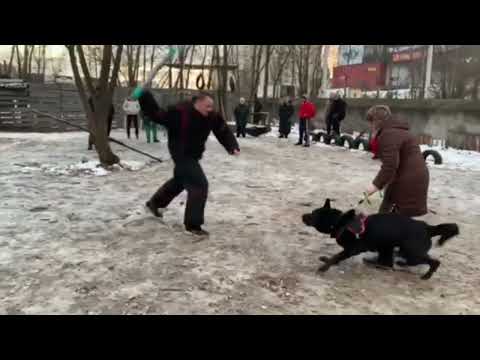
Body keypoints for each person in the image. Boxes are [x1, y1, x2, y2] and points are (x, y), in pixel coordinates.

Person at [137, 91, 240, 237]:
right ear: (197, 103)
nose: (210, 109)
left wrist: (232, 146)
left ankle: (154, 204)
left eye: (212, 106)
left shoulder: (211, 115)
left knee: (180, 181)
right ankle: (193, 225)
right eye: (207, 106)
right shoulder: (180, 112)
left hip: (193, 155)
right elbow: (156, 114)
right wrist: (144, 96)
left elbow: (221, 129)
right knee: (199, 184)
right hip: (181, 154)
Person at [363, 105, 430, 267]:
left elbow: (391, 165)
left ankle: (387, 258)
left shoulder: (388, 134)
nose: (370, 126)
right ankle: (403, 252)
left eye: (371, 122)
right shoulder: (399, 130)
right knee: (396, 216)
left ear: (377, 121)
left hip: (407, 179)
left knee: (389, 220)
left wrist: (375, 185)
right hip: (413, 176)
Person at [87, 86, 115, 151]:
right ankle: (90, 144)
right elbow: (90, 108)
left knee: (104, 131)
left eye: (100, 91)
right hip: (95, 117)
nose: (98, 93)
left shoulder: (105, 98)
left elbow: (111, 107)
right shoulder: (92, 98)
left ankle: (101, 143)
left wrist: (111, 114)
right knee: (93, 131)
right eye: (97, 91)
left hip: (104, 117)